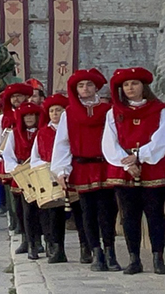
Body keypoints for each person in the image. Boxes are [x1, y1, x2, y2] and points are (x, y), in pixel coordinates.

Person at [51, 68, 120, 272]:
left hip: (105, 165)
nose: (85, 89)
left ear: (96, 87)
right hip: (81, 167)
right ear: (76, 89)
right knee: (87, 212)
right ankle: (96, 252)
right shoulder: (69, 113)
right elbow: (62, 142)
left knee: (108, 210)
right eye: (81, 86)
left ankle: (110, 251)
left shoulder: (108, 109)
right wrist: (61, 169)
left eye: (89, 85)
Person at [102, 67, 165, 274]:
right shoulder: (114, 112)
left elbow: (161, 138)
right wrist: (128, 163)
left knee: (155, 214)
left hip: (153, 166)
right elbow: (110, 142)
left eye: (134, 83)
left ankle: (158, 257)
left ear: (143, 86)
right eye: (126, 85)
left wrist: (140, 156)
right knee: (129, 215)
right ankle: (134, 259)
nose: (130, 88)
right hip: (124, 169)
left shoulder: (159, 109)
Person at [31, 94, 90, 264]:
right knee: (55, 215)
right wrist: (48, 166)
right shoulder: (42, 133)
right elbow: (35, 157)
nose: (55, 113)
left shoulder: (74, 127)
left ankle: (85, 248)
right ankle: (58, 249)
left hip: (74, 176)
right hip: (52, 180)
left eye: (59, 110)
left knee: (80, 213)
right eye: (52, 110)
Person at [0, 82, 33, 251]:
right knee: (18, 203)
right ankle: (25, 237)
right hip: (14, 165)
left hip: (34, 165)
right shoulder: (4, 119)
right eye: (13, 96)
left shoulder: (34, 114)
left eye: (19, 95)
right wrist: (2, 158)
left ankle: (42, 240)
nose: (17, 99)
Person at [3, 102, 43, 260]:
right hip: (22, 175)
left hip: (39, 174)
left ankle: (42, 240)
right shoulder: (14, 134)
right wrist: (16, 169)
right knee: (25, 211)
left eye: (32, 115)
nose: (29, 118)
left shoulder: (42, 132)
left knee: (42, 210)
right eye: (26, 115)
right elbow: (8, 155)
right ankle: (30, 242)